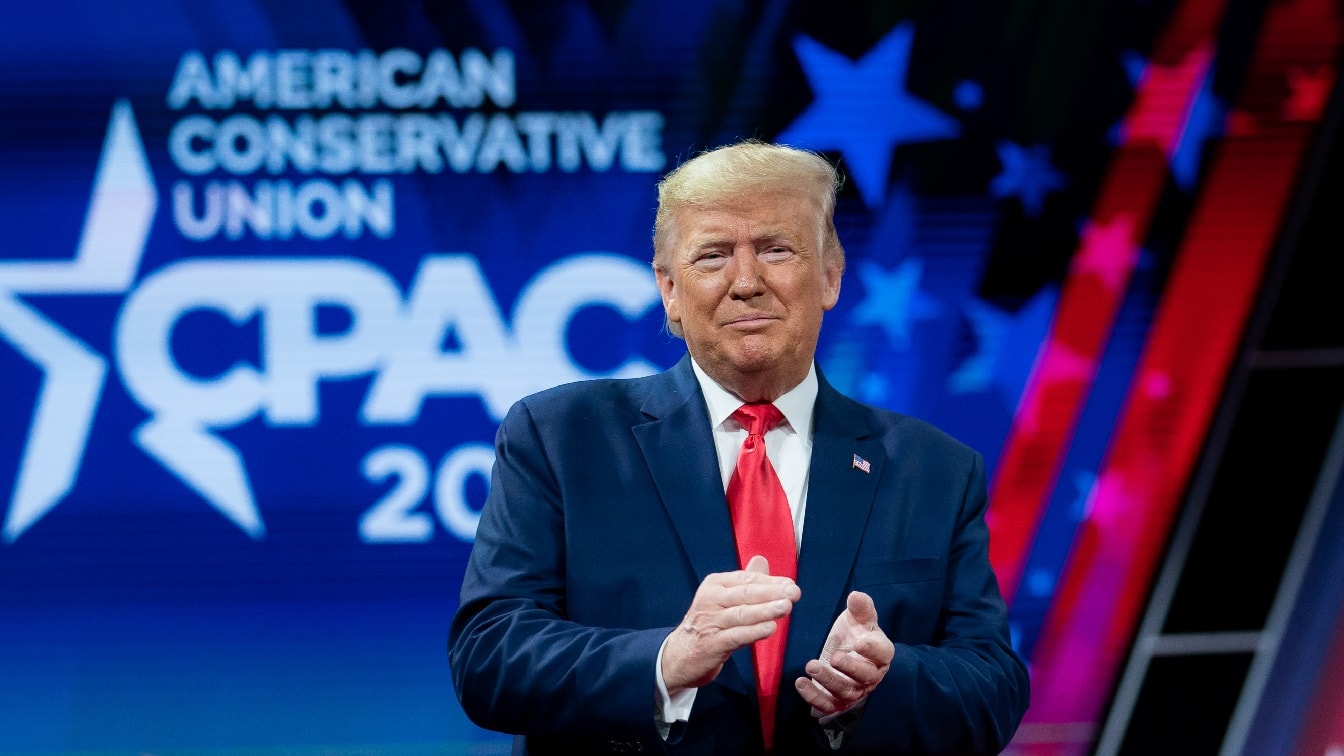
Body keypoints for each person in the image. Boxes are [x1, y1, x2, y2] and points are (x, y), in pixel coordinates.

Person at [448, 140, 1029, 754]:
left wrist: (880, 684)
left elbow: (993, 688)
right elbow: (489, 655)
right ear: (669, 290)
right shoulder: (562, 437)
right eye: (713, 256)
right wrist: (665, 662)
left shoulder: (933, 468)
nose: (746, 282)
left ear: (831, 274)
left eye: (777, 249)